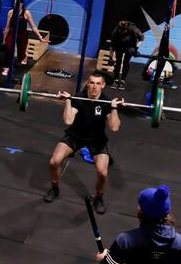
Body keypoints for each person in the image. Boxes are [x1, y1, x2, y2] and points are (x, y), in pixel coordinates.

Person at [44, 70, 123, 213]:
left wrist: (114, 108)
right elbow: (68, 120)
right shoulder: (79, 98)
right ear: (88, 83)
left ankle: (98, 197)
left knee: (102, 172)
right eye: (92, 83)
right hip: (75, 136)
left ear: (103, 85)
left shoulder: (106, 101)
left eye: (98, 84)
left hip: (96, 139)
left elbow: (114, 127)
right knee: (54, 162)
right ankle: (54, 188)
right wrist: (68, 101)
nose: (94, 87)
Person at [1, 0, 48, 76]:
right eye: (14, 3)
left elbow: (33, 27)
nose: (15, 5)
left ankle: (24, 56)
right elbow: (7, 27)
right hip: (12, 33)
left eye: (17, 3)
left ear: (22, 4)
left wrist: (40, 37)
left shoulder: (26, 13)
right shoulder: (11, 12)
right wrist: (4, 39)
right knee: (8, 49)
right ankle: (7, 68)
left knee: (20, 55)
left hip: (22, 34)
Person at [109, 20, 144, 90]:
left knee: (126, 62)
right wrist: (110, 58)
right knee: (118, 62)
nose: (122, 32)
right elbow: (112, 46)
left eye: (124, 31)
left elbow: (142, 38)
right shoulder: (115, 33)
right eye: (120, 31)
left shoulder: (133, 29)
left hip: (130, 47)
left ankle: (122, 81)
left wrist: (135, 48)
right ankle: (115, 80)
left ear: (127, 29)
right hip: (119, 46)